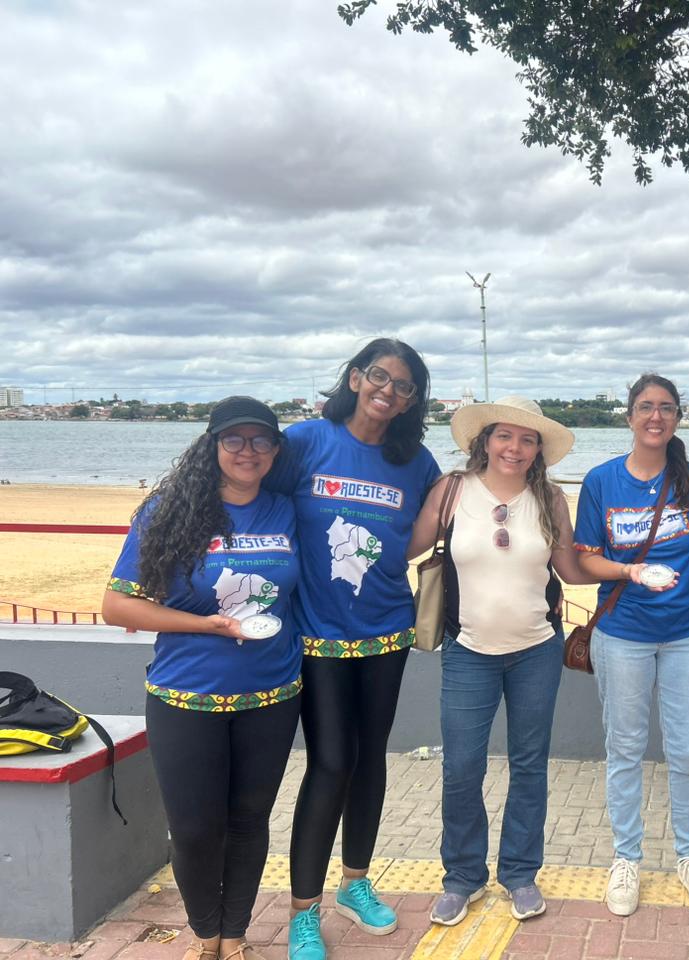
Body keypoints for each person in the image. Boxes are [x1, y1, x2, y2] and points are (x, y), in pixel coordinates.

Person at [102, 397, 300, 960]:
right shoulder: (170, 511)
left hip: (273, 694)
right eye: (234, 440)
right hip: (184, 695)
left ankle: (235, 939)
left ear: (274, 450)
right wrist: (205, 625)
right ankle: (203, 936)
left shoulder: (286, 511)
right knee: (193, 829)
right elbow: (117, 607)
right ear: (211, 447)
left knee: (248, 823)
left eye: (261, 441)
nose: (248, 451)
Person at [273, 340, 441, 960]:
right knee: (331, 763)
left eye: (405, 386)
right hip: (317, 636)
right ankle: (303, 912)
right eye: (380, 377)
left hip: (387, 632)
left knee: (371, 760)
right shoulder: (306, 442)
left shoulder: (415, 461)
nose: (389, 391)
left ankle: (356, 882)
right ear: (354, 377)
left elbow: (421, 536)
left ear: (413, 400)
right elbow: (256, 501)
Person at [407, 397, 591, 926]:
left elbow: (571, 569)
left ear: (538, 450)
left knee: (529, 766)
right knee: (461, 767)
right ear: (484, 440)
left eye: (527, 439)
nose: (515, 447)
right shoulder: (451, 492)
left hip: (537, 649)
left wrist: (630, 569)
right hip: (468, 652)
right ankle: (462, 876)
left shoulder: (551, 498)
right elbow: (406, 546)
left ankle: (519, 874)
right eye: (505, 436)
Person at [574, 373, 689, 917]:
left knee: (687, 750)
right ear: (629, 416)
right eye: (646, 407)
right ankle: (626, 858)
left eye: (666, 408)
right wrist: (630, 570)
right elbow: (586, 558)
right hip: (623, 636)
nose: (656, 416)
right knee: (624, 749)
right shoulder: (601, 481)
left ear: (677, 417)